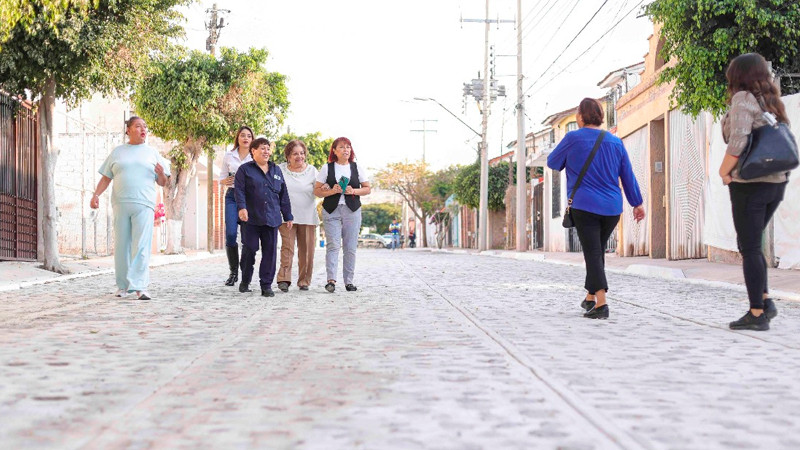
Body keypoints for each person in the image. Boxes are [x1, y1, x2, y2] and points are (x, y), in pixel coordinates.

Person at [547, 98, 645, 319]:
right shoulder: (616, 142)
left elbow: (553, 162)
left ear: (581, 117)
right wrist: (637, 203)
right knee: (596, 250)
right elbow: (627, 176)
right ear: (600, 116)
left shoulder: (572, 138)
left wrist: (571, 159)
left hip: (584, 205)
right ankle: (590, 297)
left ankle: (601, 304)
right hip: (612, 209)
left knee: (592, 252)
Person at [719, 53, 792, 331]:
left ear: (738, 76)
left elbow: (738, 140)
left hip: (750, 184)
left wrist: (724, 172)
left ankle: (757, 313)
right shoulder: (771, 102)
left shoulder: (743, 99)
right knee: (750, 243)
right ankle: (765, 300)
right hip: (776, 183)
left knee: (749, 247)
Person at [90, 116, 170, 300]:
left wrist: (160, 174)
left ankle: (140, 286)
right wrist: (96, 195)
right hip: (120, 204)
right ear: (128, 130)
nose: (143, 129)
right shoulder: (118, 152)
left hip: (144, 204)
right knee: (122, 246)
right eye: (138, 126)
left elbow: (163, 182)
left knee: (141, 245)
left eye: (145, 127)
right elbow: (106, 177)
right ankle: (123, 286)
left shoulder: (152, 153)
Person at [234, 137, 293, 297]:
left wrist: (288, 215)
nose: (266, 151)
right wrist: (242, 208)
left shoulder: (276, 170)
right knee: (250, 249)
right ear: (253, 151)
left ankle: (266, 285)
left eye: (268, 148)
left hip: (271, 218)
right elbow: (239, 190)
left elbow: (283, 194)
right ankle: (245, 280)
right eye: (262, 148)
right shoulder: (244, 170)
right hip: (251, 218)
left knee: (270, 253)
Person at [313, 137, 371, 293]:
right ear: (334, 150)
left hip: (352, 210)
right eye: (342, 147)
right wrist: (333, 191)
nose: (346, 150)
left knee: (350, 247)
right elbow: (317, 191)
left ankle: (349, 281)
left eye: (348, 147)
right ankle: (331, 280)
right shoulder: (327, 168)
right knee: (333, 245)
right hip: (331, 210)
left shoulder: (357, 167)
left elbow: (367, 188)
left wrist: (354, 191)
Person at [276, 140, 319, 292]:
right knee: (287, 248)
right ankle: (284, 279)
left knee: (306, 251)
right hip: (286, 216)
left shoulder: (312, 171)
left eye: (301, 153)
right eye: (295, 154)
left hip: (308, 216)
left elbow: (319, 189)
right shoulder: (279, 169)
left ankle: (304, 281)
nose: (299, 156)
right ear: (288, 156)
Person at [220, 126, 254, 286]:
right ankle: (233, 272)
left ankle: (245, 272)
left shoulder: (255, 157)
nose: (246, 138)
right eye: (242, 135)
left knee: (247, 238)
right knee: (231, 234)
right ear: (237, 138)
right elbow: (221, 177)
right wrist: (224, 181)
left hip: (250, 199)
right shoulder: (229, 156)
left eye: (249, 136)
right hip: (232, 197)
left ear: (252, 139)